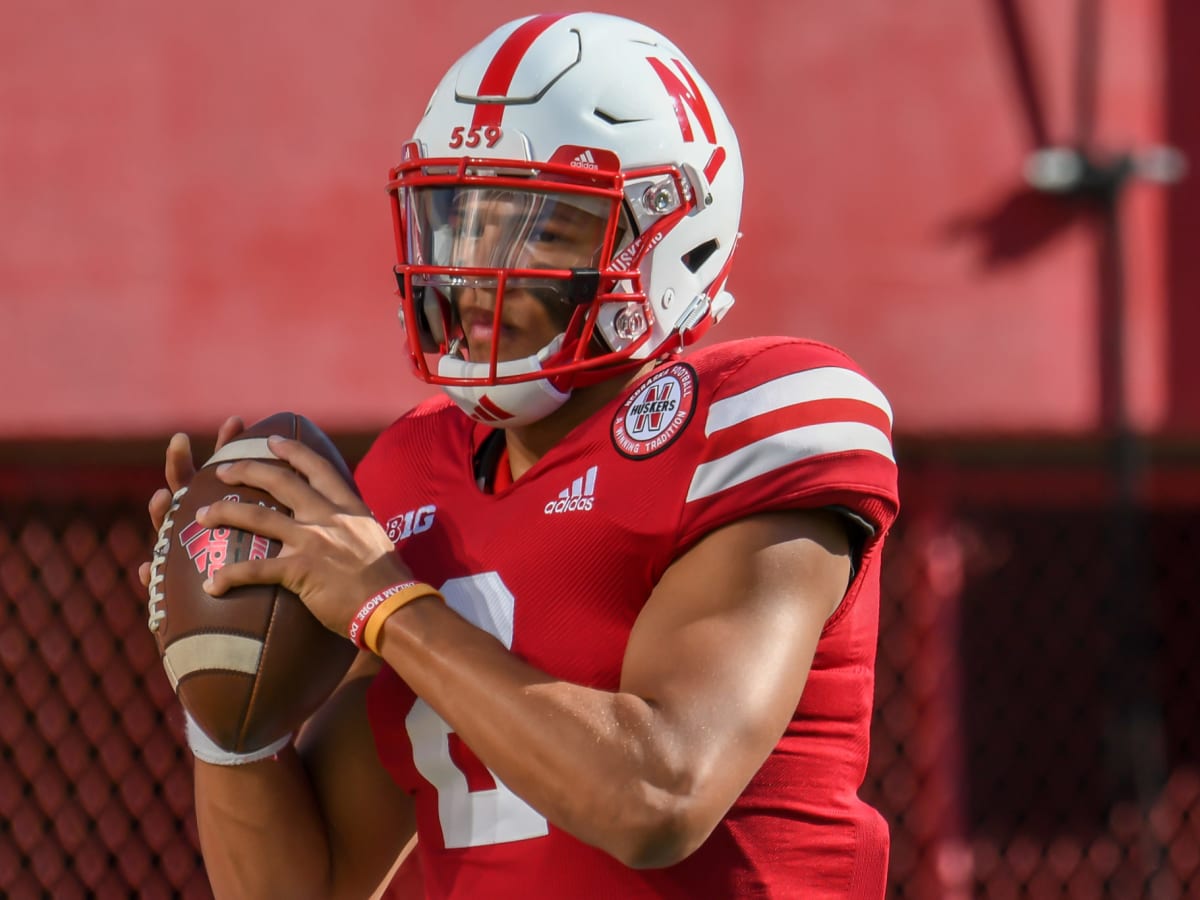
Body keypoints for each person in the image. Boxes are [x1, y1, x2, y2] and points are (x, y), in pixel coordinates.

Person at [139, 11, 899, 899]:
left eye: (537, 229)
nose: (472, 271)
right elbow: (301, 890)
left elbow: (658, 794)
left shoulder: (751, 416)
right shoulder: (409, 478)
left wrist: (390, 603)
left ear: (666, 232)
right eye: (459, 220)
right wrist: (225, 692)